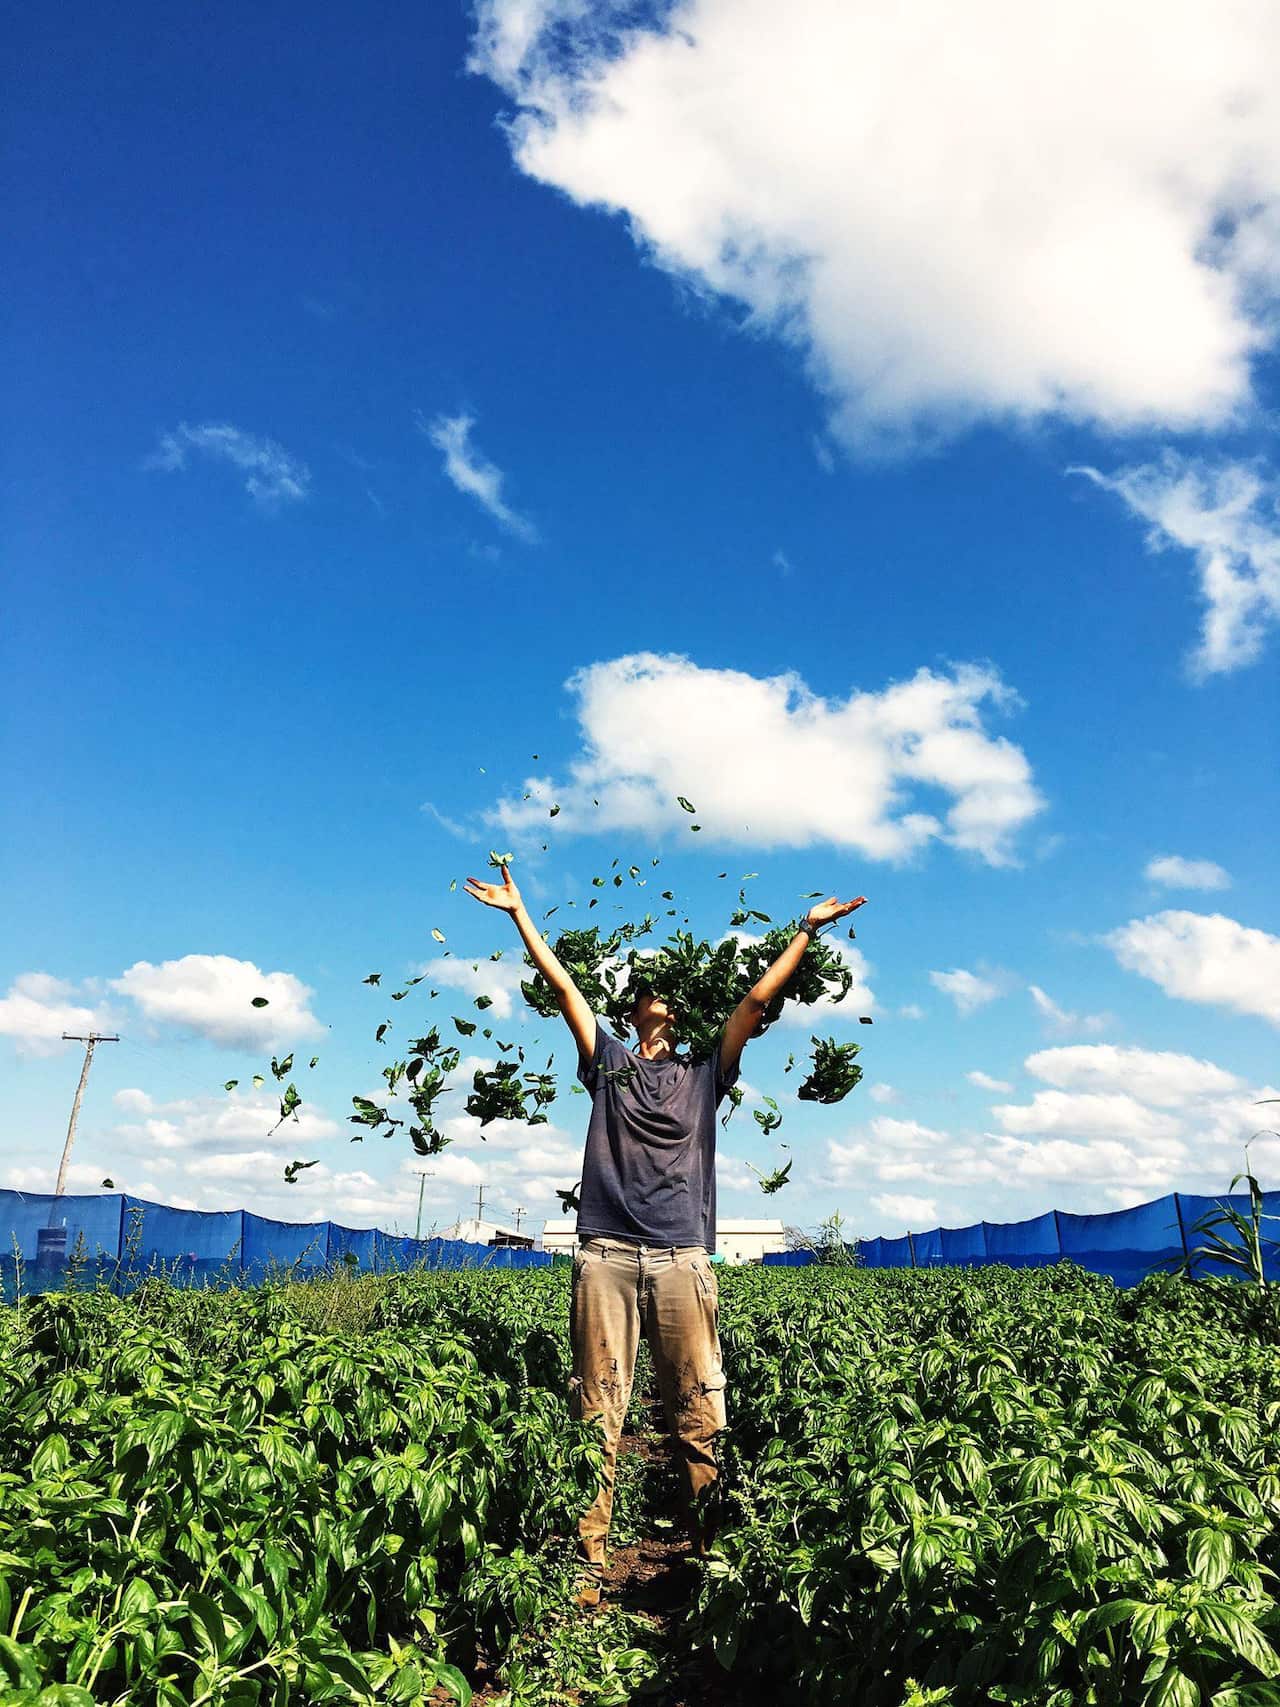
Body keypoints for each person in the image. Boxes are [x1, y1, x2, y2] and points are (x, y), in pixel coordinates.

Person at [464, 861, 866, 1605]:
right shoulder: (608, 1063)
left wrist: (804, 933)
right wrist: (518, 913)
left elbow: (755, 1000)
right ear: (636, 1006)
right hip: (607, 1255)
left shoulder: (707, 1071)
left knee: (697, 1410)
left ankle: (712, 1560)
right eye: (649, 988)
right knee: (598, 1409)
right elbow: (563, 990)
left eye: (671, 991)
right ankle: (588, 1563)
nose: (661, 995)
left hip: (683, 1258)